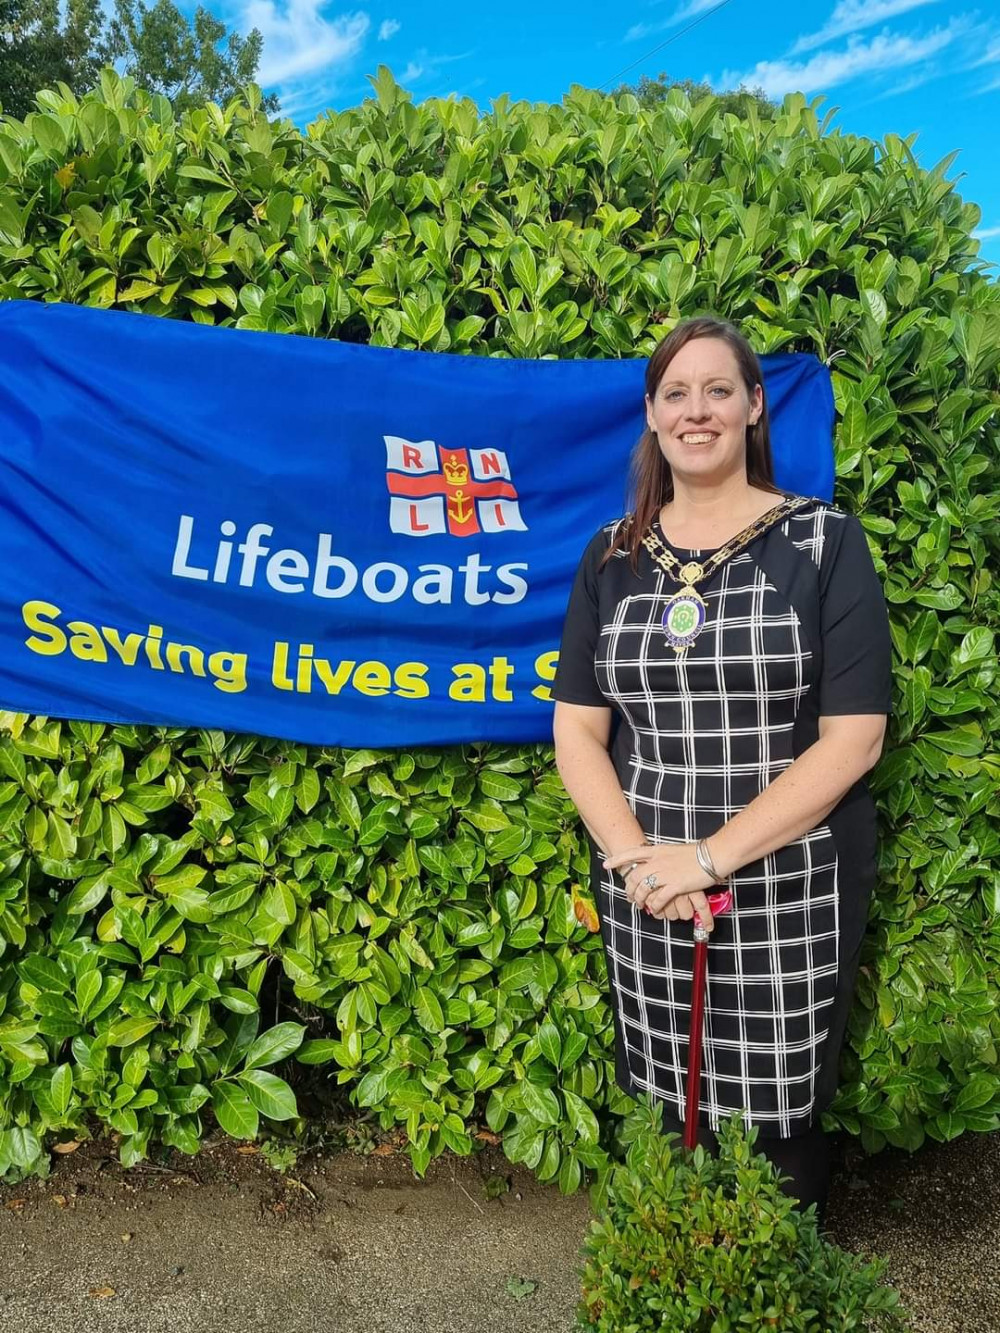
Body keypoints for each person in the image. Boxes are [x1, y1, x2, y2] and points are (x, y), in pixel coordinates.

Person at [551, 315, 892, 1221]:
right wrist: (638, 861)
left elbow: (853, 739)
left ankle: (774, 1288)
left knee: (777, 1122)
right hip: (647, 885)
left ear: (753, 407)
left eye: (716, 389)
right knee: (665, 1097)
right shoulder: (611, 557)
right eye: (675, 393)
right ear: (652, 418)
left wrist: (706, 858)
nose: (695, 410)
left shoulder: (823, 545)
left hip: (788, 881)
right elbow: (578, 731)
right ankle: (672, 1282)